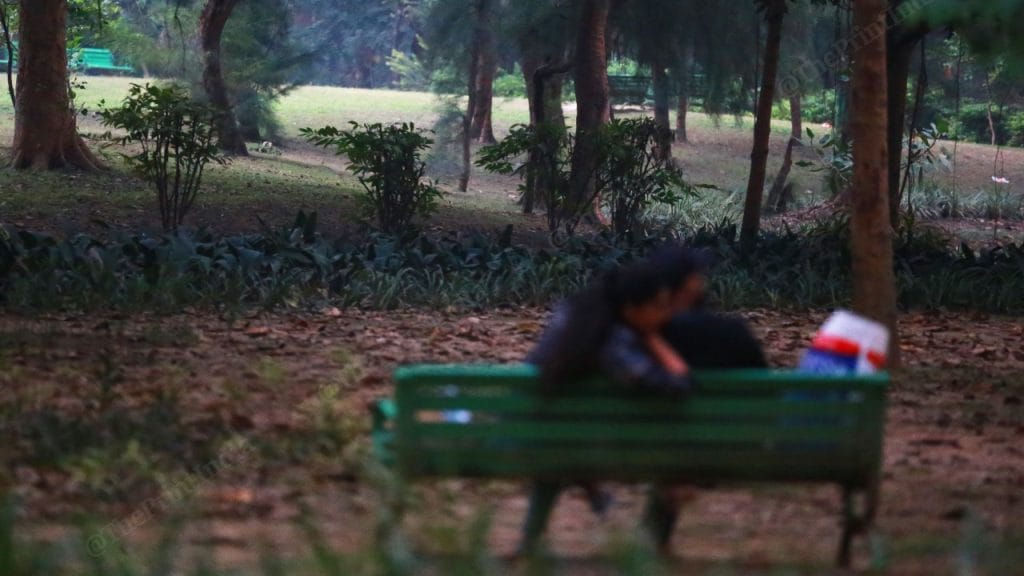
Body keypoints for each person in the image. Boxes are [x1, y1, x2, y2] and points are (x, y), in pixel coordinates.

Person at [520, 246, 713, 553]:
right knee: (674, 441)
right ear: (631, 308)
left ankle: (532, 537)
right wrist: (656, 342)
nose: (665, 315)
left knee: (558, 439)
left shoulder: (576, 317)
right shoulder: (617, 343)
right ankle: (654, 540)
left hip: (532, 436)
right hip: (591, 445)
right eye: (658, 306)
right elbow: (677, 385)